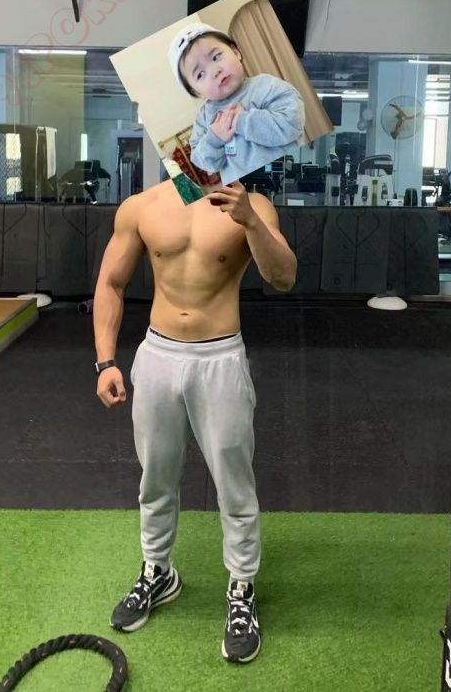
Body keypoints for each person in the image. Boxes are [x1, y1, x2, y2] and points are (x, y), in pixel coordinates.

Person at [93, 175, 297, 664]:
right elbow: (111, 283)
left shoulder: (253, 204)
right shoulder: (143, 206)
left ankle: (242, 585)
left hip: (220, 358)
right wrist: (105, 361)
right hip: (158, 356)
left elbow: (284, 277)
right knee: (156, 476)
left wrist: (249, 220)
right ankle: (158, 571)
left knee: (234, 483)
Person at [168, 22, 305, 185]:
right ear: (197, 92)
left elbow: (292, 124)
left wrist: (242, 120)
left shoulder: (266, 86)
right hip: (242, 193)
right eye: (200, 74)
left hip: (285, 181)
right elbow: (204, 162)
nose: (215, 71)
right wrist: (215, 139)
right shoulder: (204, 119)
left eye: (216, 57)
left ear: (235, 52)